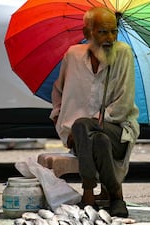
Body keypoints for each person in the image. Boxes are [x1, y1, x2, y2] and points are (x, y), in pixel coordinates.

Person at [50, 7, 139, 218]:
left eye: (113, 32)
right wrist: (59, 119)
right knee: (97, 139)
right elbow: (58, 92)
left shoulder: (123, 53)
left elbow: (123, 105)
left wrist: (92, 121)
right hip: (80, 136)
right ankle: (116, 196)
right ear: (87, 33)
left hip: (117, 128)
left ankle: (88, 191)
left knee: (84, 126)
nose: (110, 38)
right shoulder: (72, 55)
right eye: (102, 32)